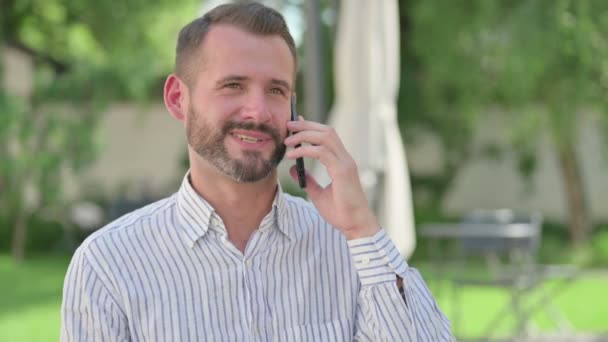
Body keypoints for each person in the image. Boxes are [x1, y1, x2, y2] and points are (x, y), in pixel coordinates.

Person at [61, 2, 454, 341]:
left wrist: (363, 229)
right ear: (178, 98)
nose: (258, 111)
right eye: (233, 85)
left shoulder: (351, 249)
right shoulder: (108, 265)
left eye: (276, 91)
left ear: (293, 109)